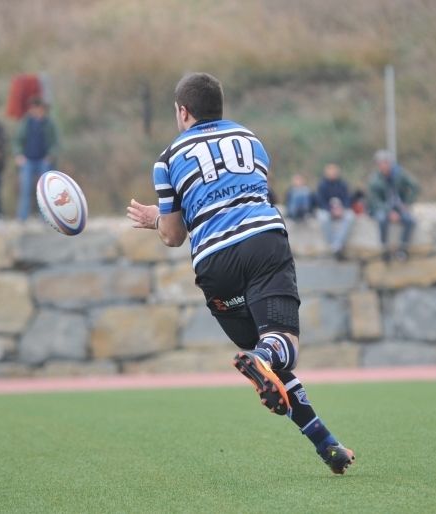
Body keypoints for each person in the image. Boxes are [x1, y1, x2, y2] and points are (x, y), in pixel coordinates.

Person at [126, 73, 354, 475]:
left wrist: (154, 220)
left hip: (215, 265)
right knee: (281, 348)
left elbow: (174, 235)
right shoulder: (252, 140)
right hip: (262, 242)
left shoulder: (166, 159)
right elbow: (256, 191)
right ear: (220, 107)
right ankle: (262, 358)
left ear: (183, 111)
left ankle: (327, 444)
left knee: (274, 360)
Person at [368, 149, 420, 262]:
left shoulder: (400, 174)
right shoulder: (374, 179)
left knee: (410, 221)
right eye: (380, 163)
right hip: (382, 208)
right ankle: (385, 249)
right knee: (381, 219)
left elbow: (415, 186)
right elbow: (374, 201)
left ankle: (403, 248)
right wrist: (389, 212)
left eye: (385, 162)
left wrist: (407, 202)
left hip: (399, 206)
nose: (383, 166)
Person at [13, 97, 58, 221]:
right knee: (25, 189)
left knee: (44, 191)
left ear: (41, 109)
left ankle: (45, 217)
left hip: (44, 161)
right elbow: (17, 140)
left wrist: (51, 155)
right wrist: (18, 155)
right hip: (28, 160)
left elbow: (55, 143)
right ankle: (22, 217)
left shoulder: (49, 124)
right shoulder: (26, 123)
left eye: (36, 107)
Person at [315, 163, 355, 260]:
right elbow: (320, 201)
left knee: (350, 216)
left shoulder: (343, 184)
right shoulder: (322, 185)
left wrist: (342, 209)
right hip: (327, 210)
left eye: (334, 172)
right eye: (330, 172)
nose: (332, 174)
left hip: (341, 210)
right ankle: (334, 244)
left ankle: (337, 244)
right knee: (323, 218)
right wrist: (330, 210)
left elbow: (347, 198)